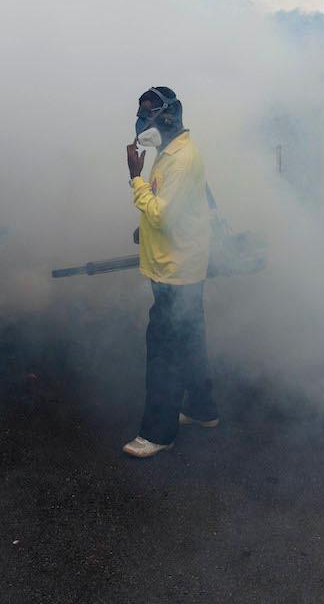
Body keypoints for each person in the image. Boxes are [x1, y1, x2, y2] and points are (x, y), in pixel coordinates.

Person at [122, 87, 219, 459]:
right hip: (180, 263)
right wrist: (144, 226)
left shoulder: (179, 159)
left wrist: (135, 178)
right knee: (191, 340)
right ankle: (202, 409)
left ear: (168, 116)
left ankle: (157, 434)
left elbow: (162, 213)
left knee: (163, 351)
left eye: (147, 114)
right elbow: (175, 207)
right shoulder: (172, 152)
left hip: (175, 271)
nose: (140, 121)